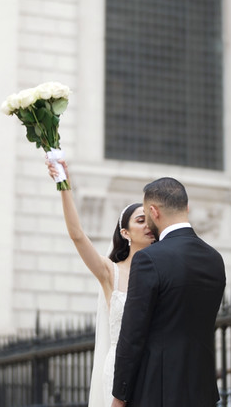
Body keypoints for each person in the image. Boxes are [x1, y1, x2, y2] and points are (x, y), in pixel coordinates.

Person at [46, 158, 155, 407]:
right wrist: (64, 187)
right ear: (125, 233)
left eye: (150, 220)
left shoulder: (162, 271)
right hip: (118, 373)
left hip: (153, 370)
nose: (147, 226)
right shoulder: (109, 272)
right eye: (140, 220)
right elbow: (77, 235)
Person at [111, 177, 227, 407]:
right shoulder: (215, 259)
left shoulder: (148, 259)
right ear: (187, 207)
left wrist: (119, 395)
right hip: (202, 391)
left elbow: (132, 334)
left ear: (154, 212)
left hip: (157, 391)